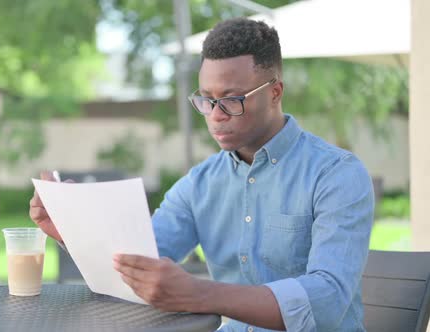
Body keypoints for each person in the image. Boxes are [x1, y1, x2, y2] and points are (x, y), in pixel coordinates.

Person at [29, 18, 374, 332]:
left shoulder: (336, 175)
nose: (215, 116)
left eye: (231, 100)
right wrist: (73, 231)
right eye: (206, 100)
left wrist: (199, 293)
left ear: (275, 92)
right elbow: (139, 261)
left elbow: (326, 300)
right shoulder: (199, 184)